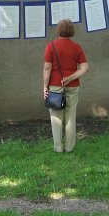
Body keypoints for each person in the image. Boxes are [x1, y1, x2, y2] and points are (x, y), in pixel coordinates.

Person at [43, 19, 89, 153]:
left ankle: (58, 147)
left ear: (58, 30)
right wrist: (71, 77)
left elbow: (47, 68)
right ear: (71, 31)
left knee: (56, 117)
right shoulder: (77, 47)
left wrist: (45, 86)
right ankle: (69, 148)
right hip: (73, 86)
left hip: (55, 86)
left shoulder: (51, 46)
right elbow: (85, 68)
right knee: (70, 116)